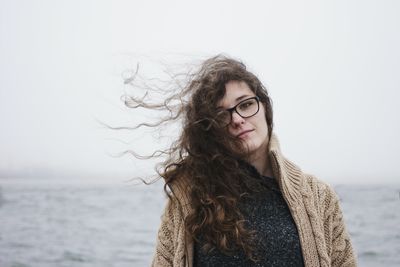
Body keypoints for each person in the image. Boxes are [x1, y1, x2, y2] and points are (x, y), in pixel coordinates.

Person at [137, 55, 357, 266]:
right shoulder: (189, 197)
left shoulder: (320, 197)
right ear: (210, 130)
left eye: (245, 104)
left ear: (265, 107)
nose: (237, 120)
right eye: (222, 115)